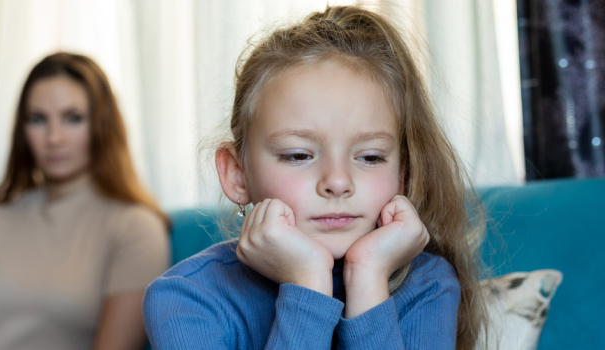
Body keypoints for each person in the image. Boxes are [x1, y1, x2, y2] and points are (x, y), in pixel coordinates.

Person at [143, 5, 487, 350]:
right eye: (298, 155)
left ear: (403, 172)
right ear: (237, 174)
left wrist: (368, 278)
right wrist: (307, 285)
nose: (338, 182)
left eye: (370, 157)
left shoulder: (428, 283)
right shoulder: (185, 298)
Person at [0, 53, 169, 350]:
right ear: (22, 131)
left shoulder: (135, 228)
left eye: (73, 118)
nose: (54, 138)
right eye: (38, 119)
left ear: (102, 125)